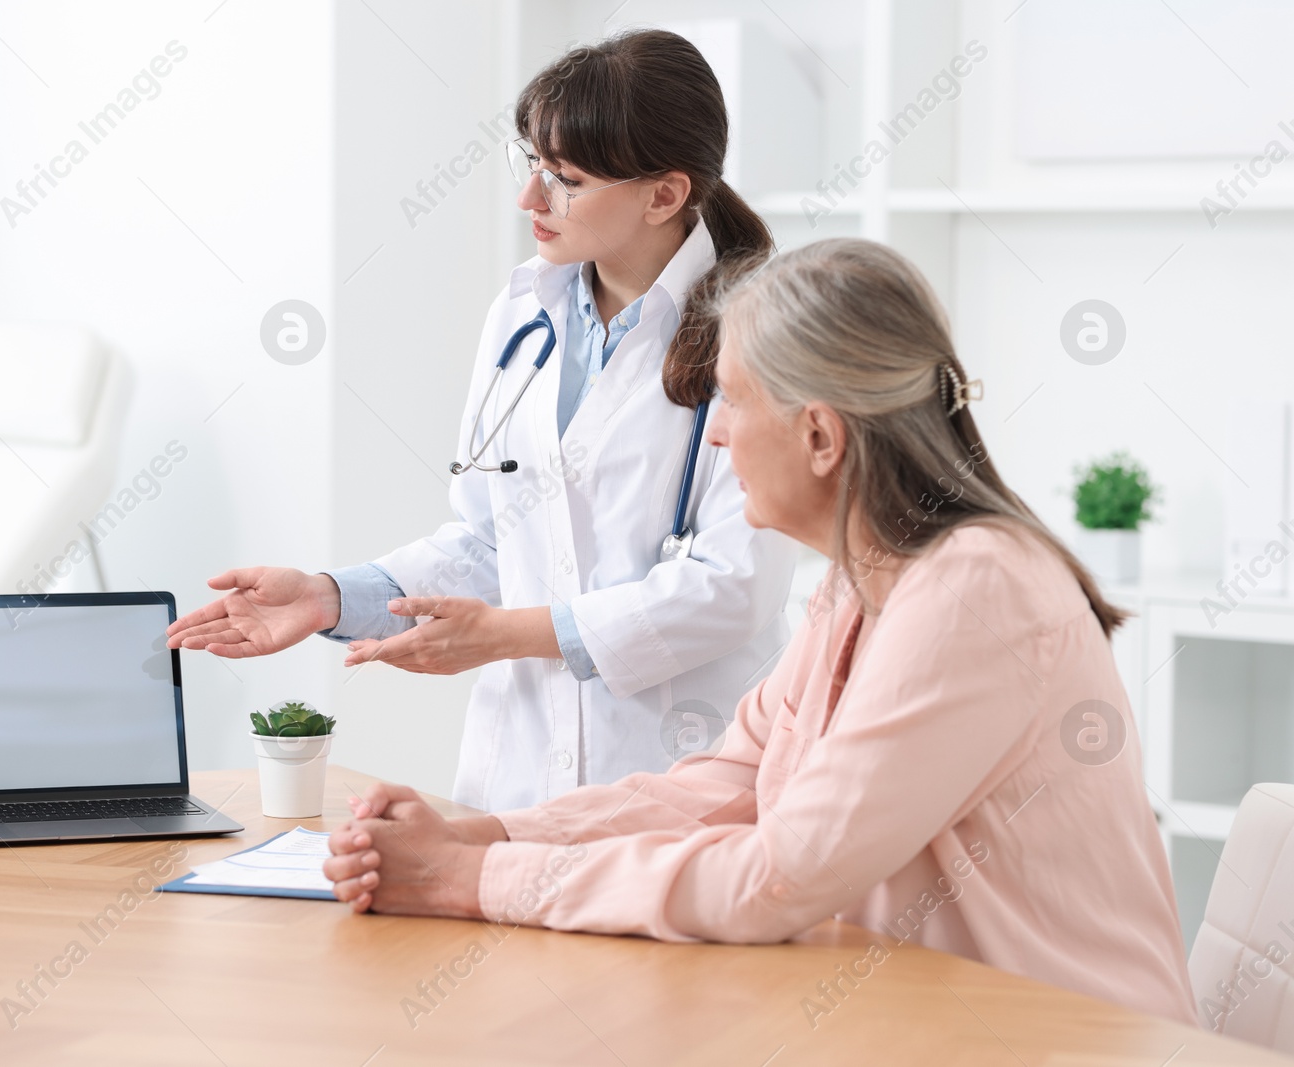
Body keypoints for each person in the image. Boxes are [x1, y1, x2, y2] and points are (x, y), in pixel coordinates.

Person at [320, 238, 1197, 1025]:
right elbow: (724, 783)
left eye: (731, 403)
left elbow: (781, 873)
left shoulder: (975, 590)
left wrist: (468, 883)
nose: (716, 440)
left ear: (819, 434)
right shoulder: (860, 583)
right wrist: (488, 836)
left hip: (1063, 1038)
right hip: (921, 1020)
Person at [167, 30, 796, 812]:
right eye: (531, 163)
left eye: (564, 179)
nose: (530, 199)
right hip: (517, 774)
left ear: (664, 195)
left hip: (676, 773)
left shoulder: (765, 333)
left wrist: (506, 635)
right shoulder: (520, 316)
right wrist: (332, 596)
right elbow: (487, 538)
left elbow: (732, 587)